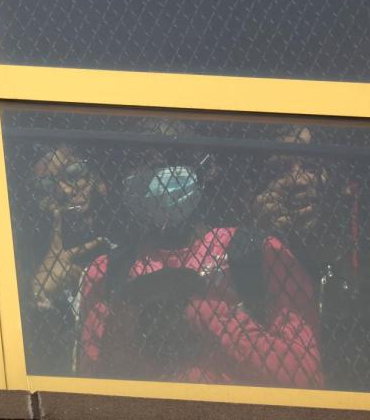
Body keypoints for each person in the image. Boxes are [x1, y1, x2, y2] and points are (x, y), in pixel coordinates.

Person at [77, 120, 322, 387]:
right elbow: (93, 385)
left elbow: (306, 376)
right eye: (142, 161)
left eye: (172, 159)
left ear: (206, 168)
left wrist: (200, 311)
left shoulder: (258, 251)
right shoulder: (106, 272)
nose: (157, 175)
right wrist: (133, 318)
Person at [252, 125, 370, 391]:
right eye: (280, 170)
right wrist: (253, 234)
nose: (297, 181)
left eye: (310, 166)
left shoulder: (360, 243)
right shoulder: (246, 252)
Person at [19, 143, 110, 375]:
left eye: (74, 174)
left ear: (99, 180)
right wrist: (38, 294)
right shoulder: (22, 266)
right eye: (46, 186)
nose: (64, 191)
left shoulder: (133, 249)